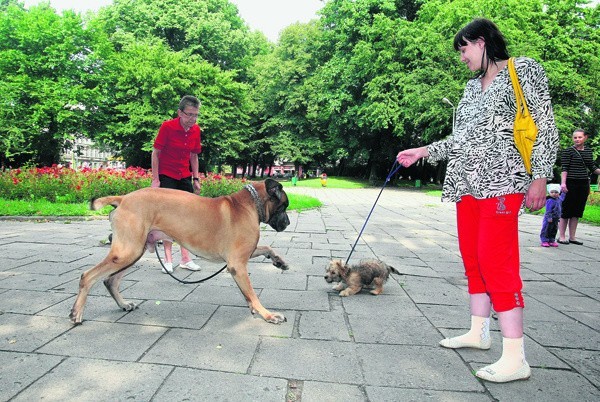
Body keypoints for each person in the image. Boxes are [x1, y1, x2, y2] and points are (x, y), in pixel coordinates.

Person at [396, 18, 558, 383]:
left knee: (496, 261)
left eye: (464, 49)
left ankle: (516, 356)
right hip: (466, 185)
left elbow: (544, 124)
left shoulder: (523, 69)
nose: (462, 58)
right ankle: (478, 332)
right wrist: (423, 151)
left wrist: (541, 175)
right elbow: (462, 140)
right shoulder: (470, 90)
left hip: (503, 183)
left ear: (481, 42)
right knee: (473, 258)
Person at [151, 95, 202, 274]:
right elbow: (156, 153)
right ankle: (168, 259)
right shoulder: (167, 127)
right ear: (180, 113)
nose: (192, 119)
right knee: (168, 219)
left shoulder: (196, 130)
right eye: (189, 115)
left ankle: (186, 259)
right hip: (167, 175)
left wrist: (196, 179)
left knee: (186, 219)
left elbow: (194, 156)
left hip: (184, 176)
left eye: (196, 115)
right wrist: (156, 179)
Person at [557, 129, 600, 245]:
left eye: (580, 137)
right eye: (575, 137)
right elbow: (564, 168)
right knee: (566, 210)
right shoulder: (568, 151)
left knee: (577, 211)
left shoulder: (588, 151)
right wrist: (563, 183)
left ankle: (572, 237)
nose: (577, 139)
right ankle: (561, 236)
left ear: (585, 137)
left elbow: (592, 168)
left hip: (583, 183)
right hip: (570, 183)